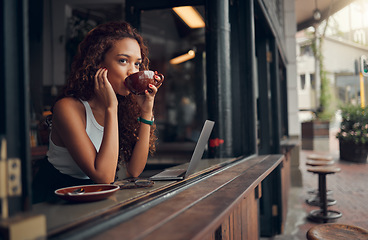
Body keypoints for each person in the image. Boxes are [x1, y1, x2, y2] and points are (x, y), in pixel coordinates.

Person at [32, 21, 159, 203]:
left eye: (137, 64)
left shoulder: (123, 107)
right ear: (98, 63)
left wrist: (146, 111)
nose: (133, 71)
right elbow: (105, 177)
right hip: (55, 200)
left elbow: (134, 171)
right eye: (123, 61)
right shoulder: (67, 108)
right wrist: (111, 107)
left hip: (93, 197)